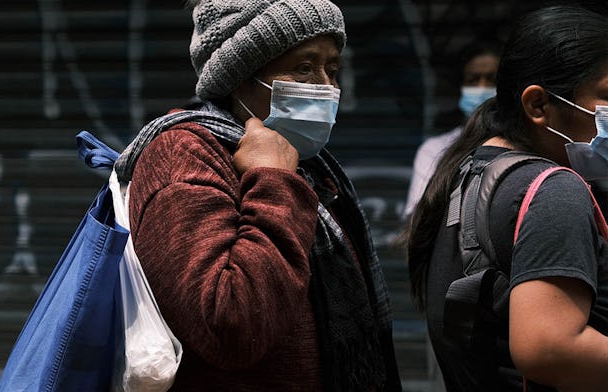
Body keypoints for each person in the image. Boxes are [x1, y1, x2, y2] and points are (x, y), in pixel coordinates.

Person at [111, 0, 402, 390]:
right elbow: (229, 326)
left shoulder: (312, 168)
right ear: (241, 77)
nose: (326, 87)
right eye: (303, 68)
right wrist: (273, 181)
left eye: (332, 69)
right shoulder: (184, 155)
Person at [405, 5, 608, 392]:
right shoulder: (554, 190)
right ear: (538, 106)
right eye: (607, 95)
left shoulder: (471, 170)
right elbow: (550, 348)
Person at [404, 40, 501, 216]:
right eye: (473, 80)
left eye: (492, 80)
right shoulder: (434, 150)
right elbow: (417, 219)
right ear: (460, 87)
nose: (482, 87)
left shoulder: (520, 144)